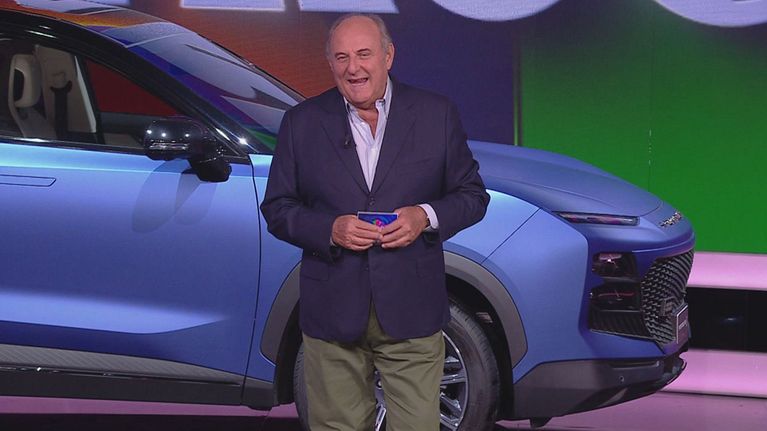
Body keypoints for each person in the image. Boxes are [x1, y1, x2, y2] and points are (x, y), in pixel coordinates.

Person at [261, 13, 489, 431]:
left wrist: (424, 216)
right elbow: (277, 207)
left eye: (364, 54)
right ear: (330, 63)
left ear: (388, 56)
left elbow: (472, 196)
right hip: (332, 310)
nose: (353, 68)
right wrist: (330, 229)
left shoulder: (435, 114)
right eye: (341, 57)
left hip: (411, 307)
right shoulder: (302, 123)